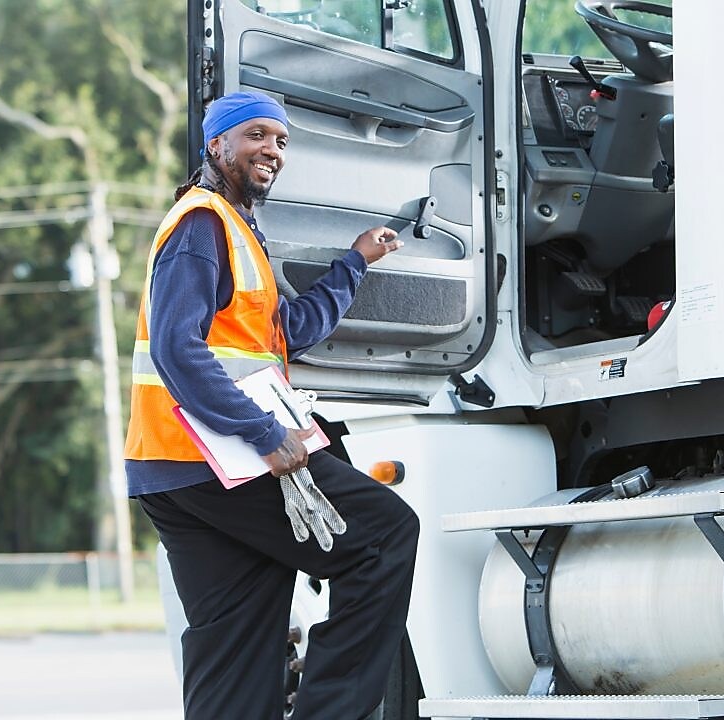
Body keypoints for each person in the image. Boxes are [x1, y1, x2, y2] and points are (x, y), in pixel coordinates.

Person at [124, 91, 419, 720]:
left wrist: (356, 261)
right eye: (256, 135)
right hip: (218, 459)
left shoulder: (235, 229)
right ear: (216, 145)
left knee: (235, 648)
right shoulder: (201, 225)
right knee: (385, 536)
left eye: (281, 141)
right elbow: (178, 348)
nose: (272, 151)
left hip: (174, 466)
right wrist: (262, 432)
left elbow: (296, 329)